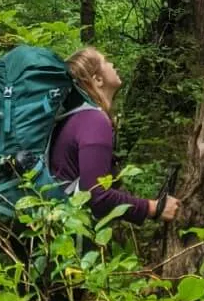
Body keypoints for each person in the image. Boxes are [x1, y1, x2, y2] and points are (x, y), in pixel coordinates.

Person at [51, 46, 180, 225]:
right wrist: (153, 208)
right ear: (97, 79)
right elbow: (96, 196)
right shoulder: (94, 121)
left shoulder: (77, 118)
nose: (113, 64)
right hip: (68, 232)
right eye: (105, 61)